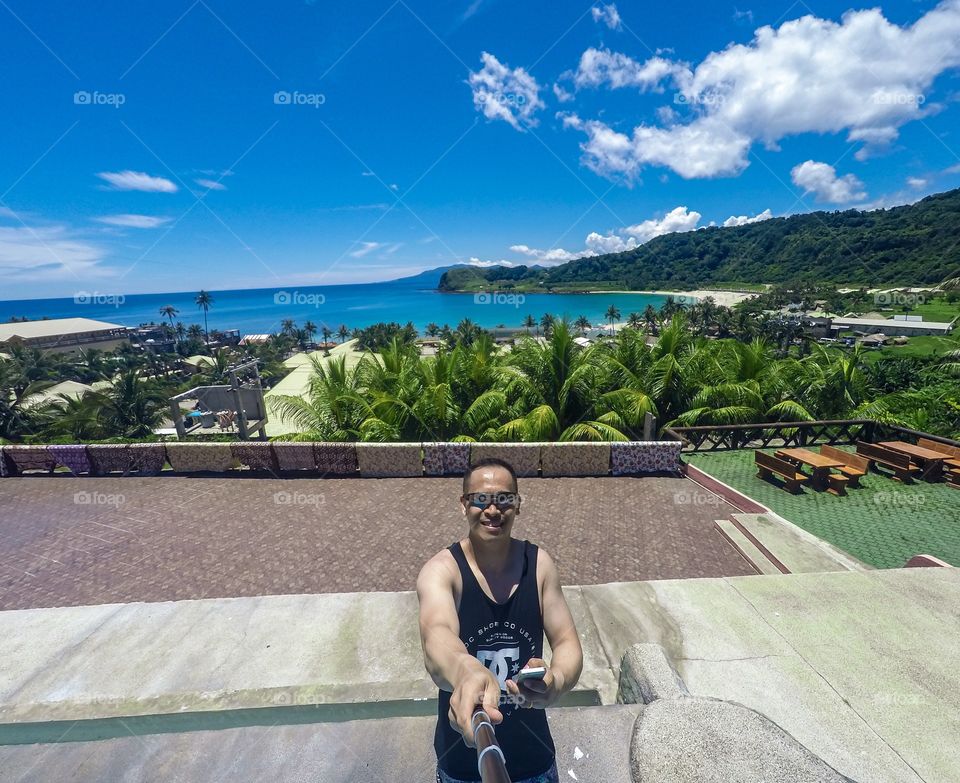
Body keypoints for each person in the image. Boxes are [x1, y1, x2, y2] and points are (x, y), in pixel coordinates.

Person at [416, 457, 584, 783]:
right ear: (464, 505)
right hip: (462, 764)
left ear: (518, 505)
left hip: (535, 760)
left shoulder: (539, 565)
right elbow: (436, 635)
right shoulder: (441, 571)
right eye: (480, 499)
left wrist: (557, 680)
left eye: (505, 499)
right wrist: (465, 670)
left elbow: (566, 641)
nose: (493, 510)